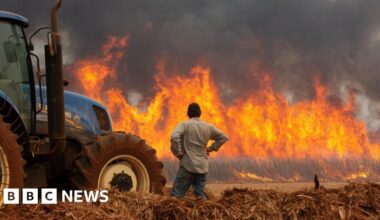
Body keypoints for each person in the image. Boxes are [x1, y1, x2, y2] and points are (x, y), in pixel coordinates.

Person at [170, 103, 228, 200]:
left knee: (175, 197)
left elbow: (174, 136)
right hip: (202, 167)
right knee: (200, 198)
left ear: (188, 113)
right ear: (200, 113)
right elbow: (224, 137)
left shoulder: (184, 124)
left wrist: (178, 153)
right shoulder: (208, 127)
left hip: (188, 165)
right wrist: (211, 148)